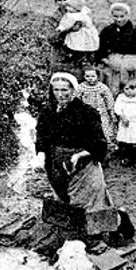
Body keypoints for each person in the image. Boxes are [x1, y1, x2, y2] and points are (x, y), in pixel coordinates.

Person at [34, 72, 113, 213]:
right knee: (64, 205)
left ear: (73, 90)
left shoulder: (87, 112)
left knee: (90, 206)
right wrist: (41, 153)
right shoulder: (47, 112)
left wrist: (80, 155)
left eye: (64, 90)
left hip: (84, 166)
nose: (60, 94)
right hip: (57, 164)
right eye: (56, 90)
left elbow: (99, 143)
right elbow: (42, 135)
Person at [96, 2, 136, 100]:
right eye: (115, 16)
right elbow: (100, 52)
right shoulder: (107, 31)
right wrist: (109, 63)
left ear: (128, 15)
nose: (119, 19)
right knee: (112, 92)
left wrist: (135, 65)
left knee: (135, 94)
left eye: (122, 16)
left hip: (134, 69)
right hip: (114, 69)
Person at [55, 0, 99, 75]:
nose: (67, 8)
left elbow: (67, 24)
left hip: (80, 35)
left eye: (70, 7)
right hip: (79, 33)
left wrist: (61, 28)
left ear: (76, 8)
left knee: (79, 45)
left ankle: (81, 60)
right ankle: (76, 60)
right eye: (67, 6)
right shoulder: (76, 13)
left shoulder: (76, 16)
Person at [77, 67, 116, 153]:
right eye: (87, 76)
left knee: (104, 128)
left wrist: (111, 111)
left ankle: (108, 146)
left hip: (101, 113)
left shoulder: (102, 87)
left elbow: (109, 100)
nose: (90, 78)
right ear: (83, 76)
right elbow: (76, 99)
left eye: (93, 76)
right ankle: (87, 147)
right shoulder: (81, 87)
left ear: (97, 76)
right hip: (86, 114)